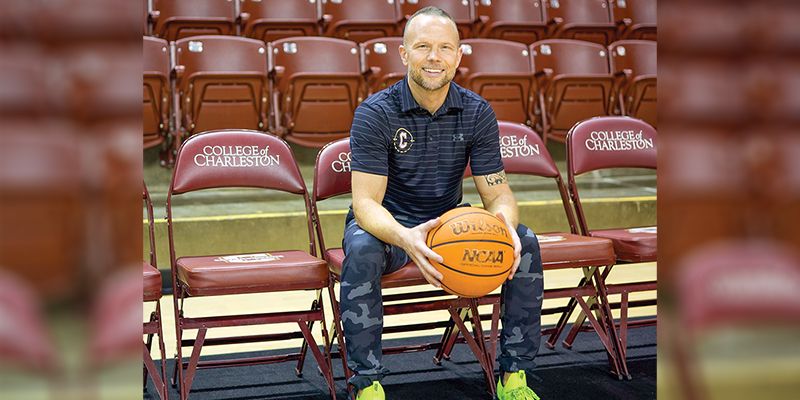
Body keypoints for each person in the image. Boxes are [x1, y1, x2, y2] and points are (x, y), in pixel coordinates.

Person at [340, 6, 543, 400]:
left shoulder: (477, 111)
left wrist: (504, 225)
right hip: (390, 227)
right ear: (404, 54)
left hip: (447, 225)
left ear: (459, 55)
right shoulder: (375, 113)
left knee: (525, 241)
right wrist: (406, 238)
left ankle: (514, 376)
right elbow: (365, 205)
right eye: (423, 47)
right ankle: (367, 383)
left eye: (445, 48)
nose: (434, 57)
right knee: (362, 250)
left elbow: (497, 193)